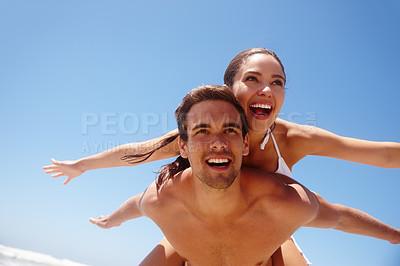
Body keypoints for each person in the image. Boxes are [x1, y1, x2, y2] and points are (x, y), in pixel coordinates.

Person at [43, 48, 400, 264]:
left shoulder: (291, 137)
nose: (266, 89)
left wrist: (392, 235)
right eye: (253, 79)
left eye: (277, 82)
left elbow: (380, 157)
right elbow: (137, 155)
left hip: (265, 232)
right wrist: (82, 165)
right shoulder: (205, 135)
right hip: (198, 229)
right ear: (229, 90)